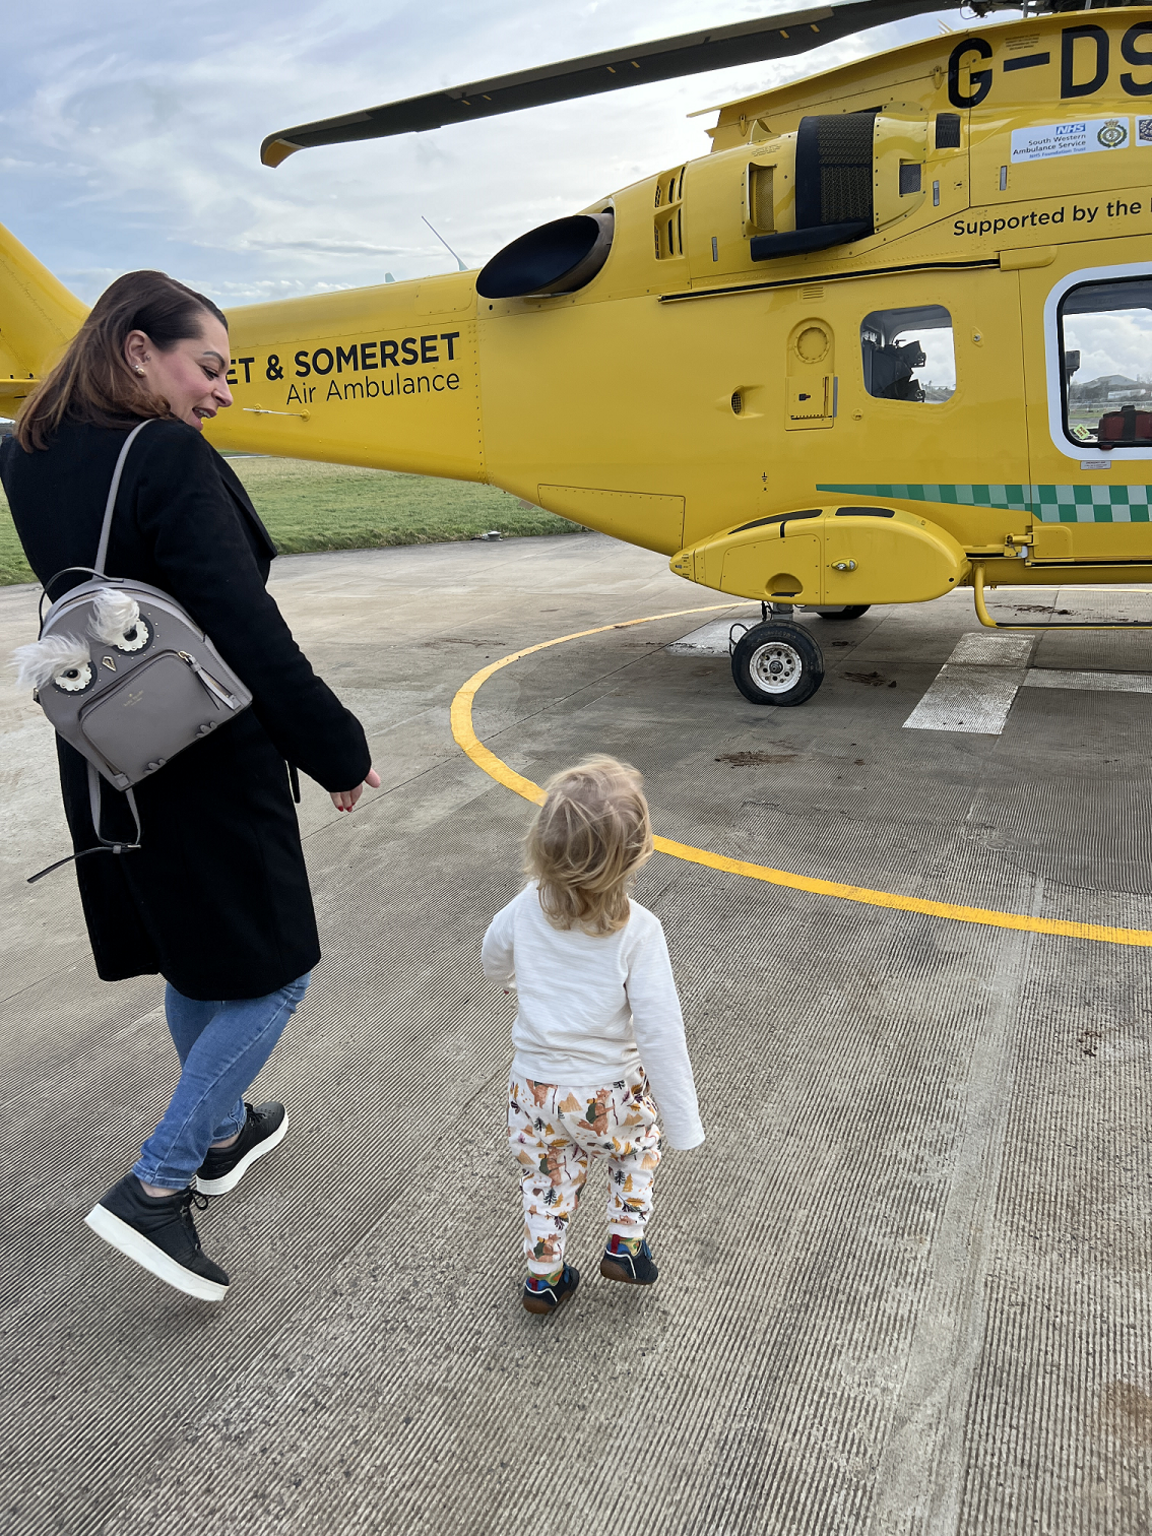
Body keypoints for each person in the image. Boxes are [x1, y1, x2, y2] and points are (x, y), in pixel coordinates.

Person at [1, 271, 379, 1304]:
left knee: (196, 955)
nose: (220, 392)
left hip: (110, 758)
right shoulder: (162, 454)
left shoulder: (26, 453)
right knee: (275, 973)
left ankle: (220, 1129)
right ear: (137, 350)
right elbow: (245, 628)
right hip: (207, 754)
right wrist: (336, 748)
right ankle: (160, 1181)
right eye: (207, 367)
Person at [482, 756, 703, 1316]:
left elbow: (492, 958)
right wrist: (680, 1122)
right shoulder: (639, 931)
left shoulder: (525, 906)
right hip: (608, 1091)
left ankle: (543, 1277)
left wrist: (511, 978)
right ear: (634, 855)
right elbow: (659, 1031)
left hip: (533, 1090)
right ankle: (625, 1242)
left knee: (546, 1181)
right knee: (636, 1150)